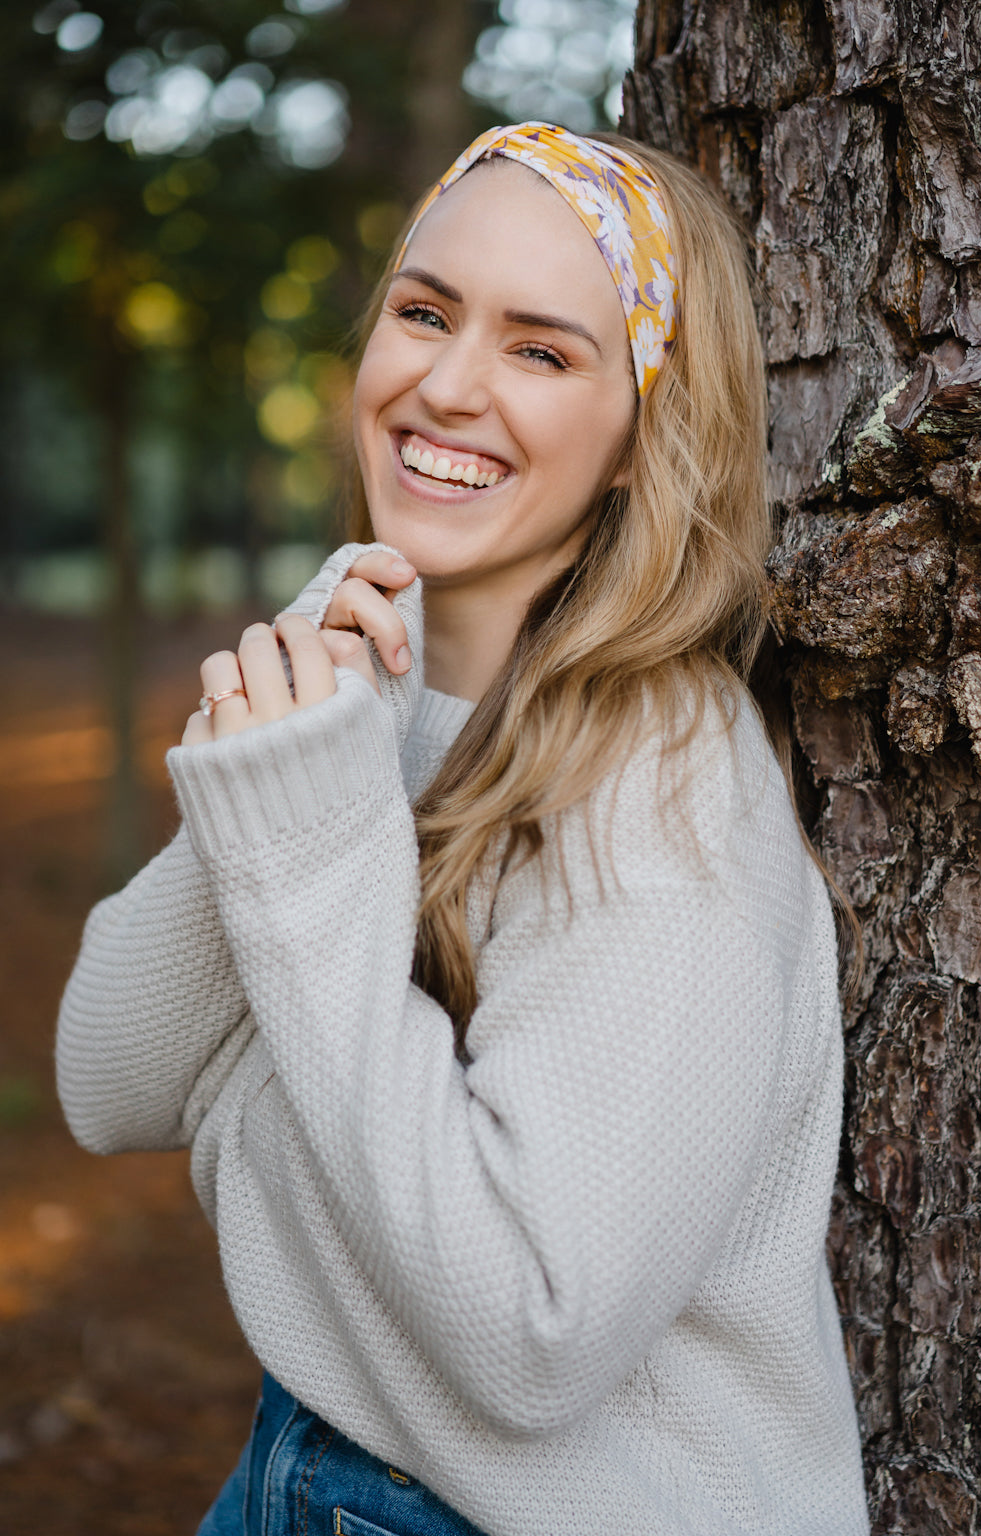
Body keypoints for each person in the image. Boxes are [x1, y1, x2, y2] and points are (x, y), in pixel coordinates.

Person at [56, 123, 869, 1536]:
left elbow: (529, 1330)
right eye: (425, 313)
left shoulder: (661, 780)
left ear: (639, 439)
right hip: (306, 1466)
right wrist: (293, 768)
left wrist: (260, 1080)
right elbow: (110, 1082)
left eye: (541, 352)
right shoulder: (367, 677)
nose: (444, 384)